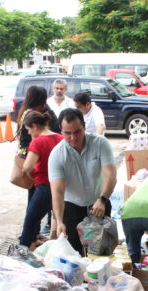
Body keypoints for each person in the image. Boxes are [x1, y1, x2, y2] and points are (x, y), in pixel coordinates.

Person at [49, 108, 116, 255]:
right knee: (75, 254)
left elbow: (110, 175)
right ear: (60, 130)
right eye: (67, 133)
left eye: (77, 131)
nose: (73, 137)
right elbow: (58, 192)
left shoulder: (100, 143)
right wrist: (59, 222)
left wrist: (102, 199)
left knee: (102, 252)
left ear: (84, 126)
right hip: (72, 208)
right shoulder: (57, 155)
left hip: (99, 204)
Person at [19, 111, 63, 248]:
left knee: (30, 222)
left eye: (28, 130)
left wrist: (32, 174)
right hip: (60, 186)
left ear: (34, 126)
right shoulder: (60, 138)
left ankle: (22, 252)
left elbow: (27, 167)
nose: (29, 134)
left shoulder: (38, 142)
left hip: (44, 186)